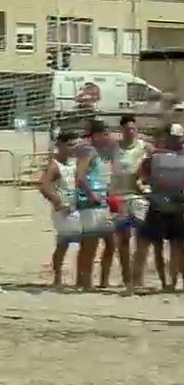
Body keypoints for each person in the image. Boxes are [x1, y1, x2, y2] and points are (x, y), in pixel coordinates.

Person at [132, 122, 184, 294]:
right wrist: (144, 190)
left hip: (178, 207)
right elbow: (138, 176)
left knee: (177, 246)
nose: (178, 140)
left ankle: (172, 282)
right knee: (158, 246)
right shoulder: (154, 156)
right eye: (175, 137)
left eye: (180, 137)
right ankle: (164, 281)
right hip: (158, 206)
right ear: (167, 137)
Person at [73, 122, 118, 291]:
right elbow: (79, 176)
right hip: (90, 202)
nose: (108, 137)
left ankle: (103, 280)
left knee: (110, 242)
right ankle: (85, 281)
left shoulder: (102, 153)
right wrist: (91, 195)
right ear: (96, 135)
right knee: (90, 244)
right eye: (105, 134)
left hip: (104, 201)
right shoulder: (88, 151)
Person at [111, 115, 150, 288]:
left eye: (133, 128)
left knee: (142, 239)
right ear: (122, 130)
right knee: (123, 240)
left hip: (138, 196)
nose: (131, 131)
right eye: (127, 129)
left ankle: (138, 275)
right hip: (119, 198)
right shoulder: (115, 149)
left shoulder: (143, 147)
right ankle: (127, 278)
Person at [38, 130, 81, 288]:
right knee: (63, 243)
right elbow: (44, 185)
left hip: (77, 206)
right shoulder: (54, 164)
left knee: (84, 241)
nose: (73, 148)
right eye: (69, 145)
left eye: (75, 144)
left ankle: (80, 277)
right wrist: (57, 201)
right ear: (60, 146)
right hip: (63, 210)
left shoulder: (75, 162)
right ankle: (57, 277)